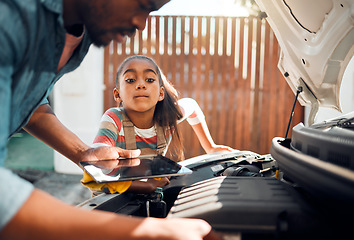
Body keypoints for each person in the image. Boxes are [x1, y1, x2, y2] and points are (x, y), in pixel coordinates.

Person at [0, 0, 219, 239]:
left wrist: (83, 153)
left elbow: (32, 106)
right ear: (117, 94)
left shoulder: (78, 36)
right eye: (143, 4)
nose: (141, 24)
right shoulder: (10, 18)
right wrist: (150, 232)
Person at [81, 55, 234, 195]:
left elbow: (192, 106)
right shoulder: (113, 118)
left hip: (151, 194)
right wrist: (145, 186)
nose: (141, 84)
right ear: (117, 94)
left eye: (149, 79)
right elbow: (95, 172)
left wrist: (210, 146)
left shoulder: (168, 118)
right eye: (130, 80)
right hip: (110, 198)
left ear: (161, 93)